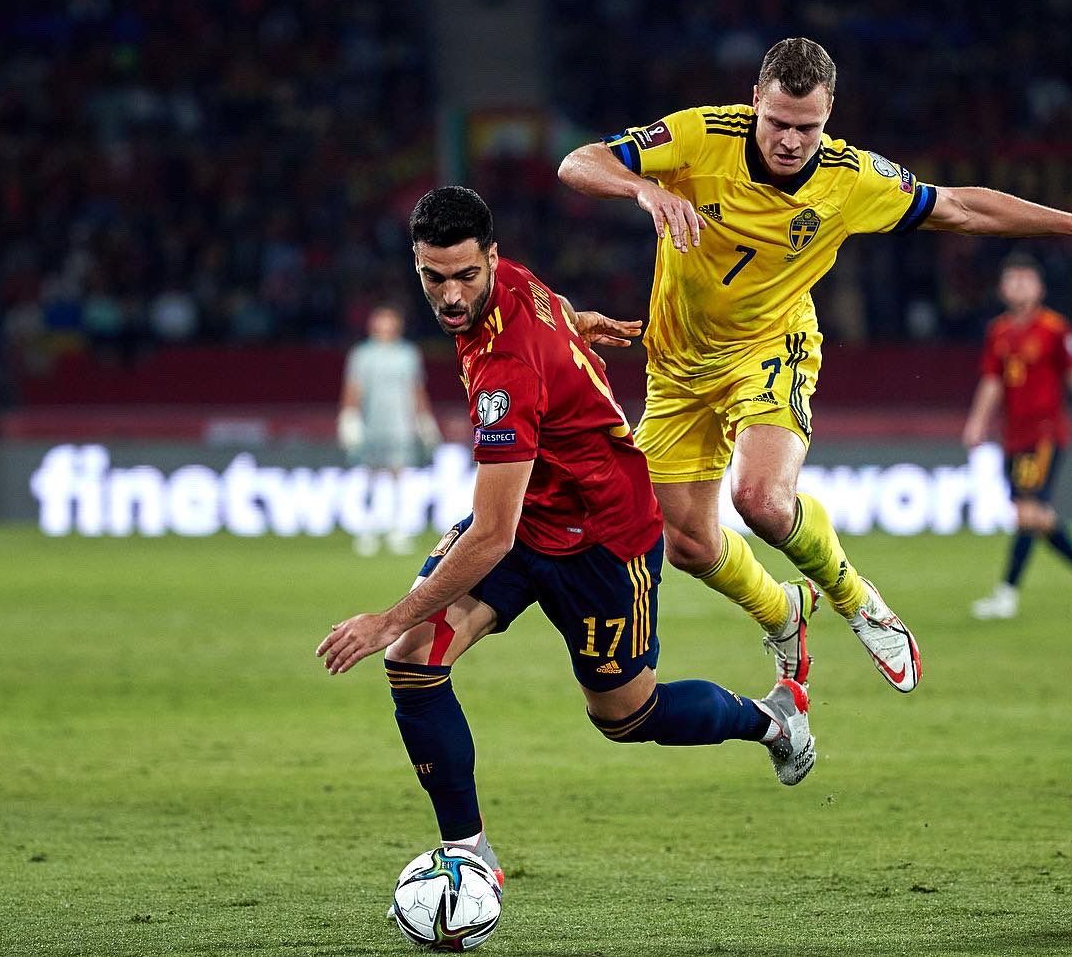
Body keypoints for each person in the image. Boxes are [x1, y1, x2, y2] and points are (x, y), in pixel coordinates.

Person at [557, 37, 1072, 691]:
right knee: (689, 547)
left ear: (830, 115)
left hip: (770, 348)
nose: (791, 141)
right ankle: (781, 611)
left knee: (759, 498)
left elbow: (959, 207)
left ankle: (855, 600)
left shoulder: (851, 179)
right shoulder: (698, 134)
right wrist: (643, 191)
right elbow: (577, 162)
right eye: (779, 122)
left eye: (808, 127)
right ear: (755, 100)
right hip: (676, 366)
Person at [316, 186, 815, 887]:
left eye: (465, 275)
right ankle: (469, 854)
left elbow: (489, 535)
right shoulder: (514, 283)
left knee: (624, 716)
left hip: (604, 542)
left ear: (490, 257)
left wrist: (387, 616)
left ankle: (773, 720)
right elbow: (505, 515)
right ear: (417, 263)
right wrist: (574, 326)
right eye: (435, 277)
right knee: (413, 660)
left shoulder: (505, 371)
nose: (451, 296)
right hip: (529, 520)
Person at [962, 254, 1072, 619]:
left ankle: (1007, 593)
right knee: (1032, 514)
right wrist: (977, 421)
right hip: (1012, 436)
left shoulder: (1055, 329)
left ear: (1040, 288)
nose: (1018, 286)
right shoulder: (998, 331)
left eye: (1025, 280)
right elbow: (992, 381)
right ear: (1001, 288)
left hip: (1045, 434)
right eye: (1012, 280)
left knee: (1027, 512)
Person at [338, 304, 441, 556]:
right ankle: (367, 529)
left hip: (401, 426)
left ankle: (398, 529)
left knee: (400, 478)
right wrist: (349, 417)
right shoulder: (362, 355)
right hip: (372, 424)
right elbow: (353, 388)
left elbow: (416, 389)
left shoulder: (407, 354)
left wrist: (425, 419)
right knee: (370, 477)